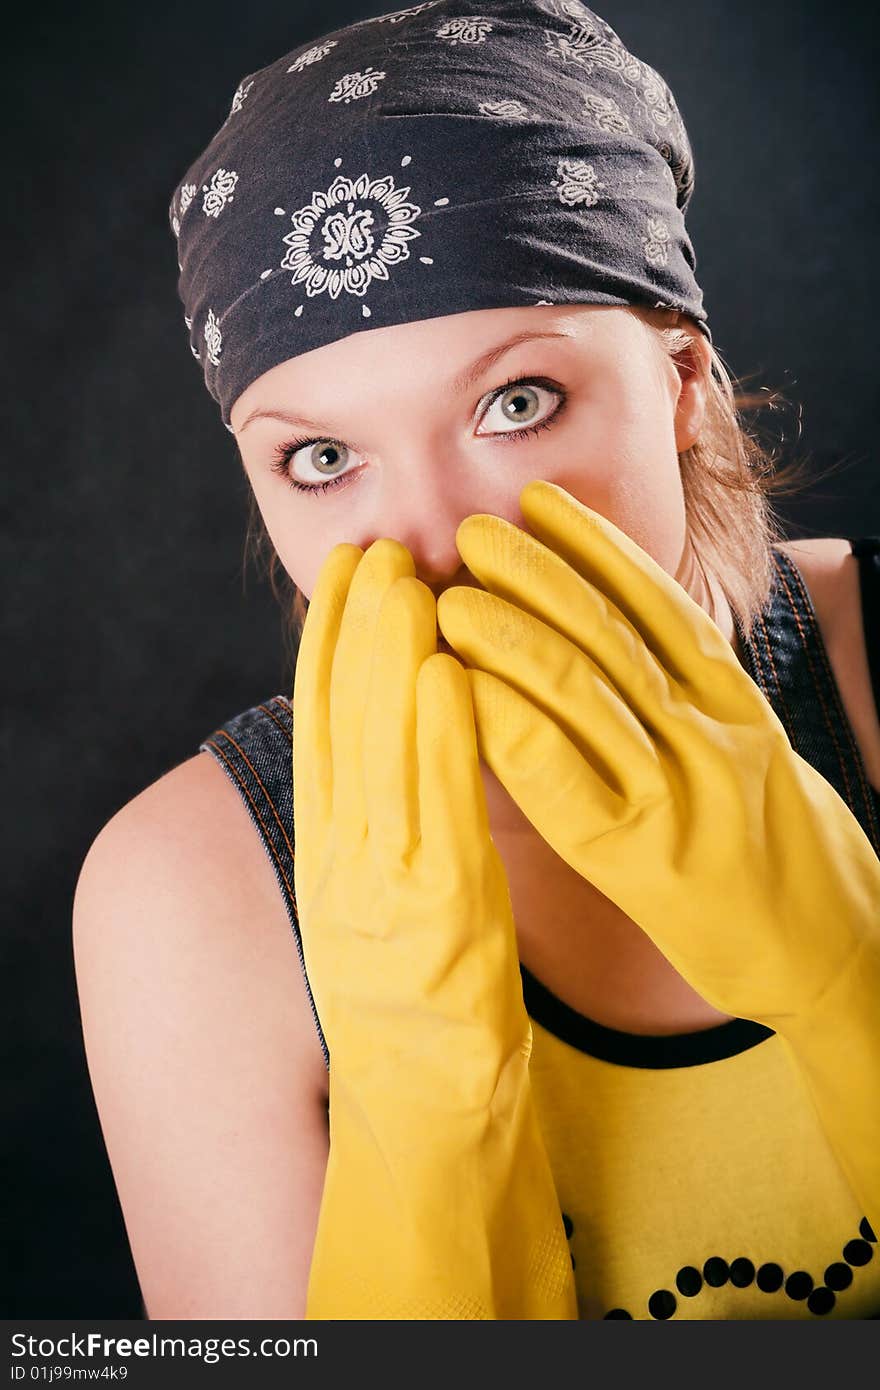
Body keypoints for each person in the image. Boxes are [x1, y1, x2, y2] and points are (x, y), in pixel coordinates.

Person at [72, 0, 880, 1320]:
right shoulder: (189, 897)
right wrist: (419, 1094)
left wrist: (846, 964)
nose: (436, 542)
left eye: (516, 402)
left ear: (680, 377)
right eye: (322, 458)